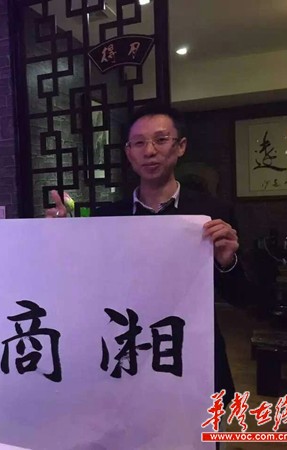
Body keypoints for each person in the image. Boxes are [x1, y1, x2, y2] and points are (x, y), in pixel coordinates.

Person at [46, 104, 241, 408]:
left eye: (161, 140)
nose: (149, 151)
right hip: (126, 351)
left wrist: (227, 261)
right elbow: (84, 286)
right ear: (129, 153)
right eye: (139, 143)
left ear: (181, 146)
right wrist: (62, 239)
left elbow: (243, 297)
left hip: (192, 353)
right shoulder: (108, 218)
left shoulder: (211, 214)